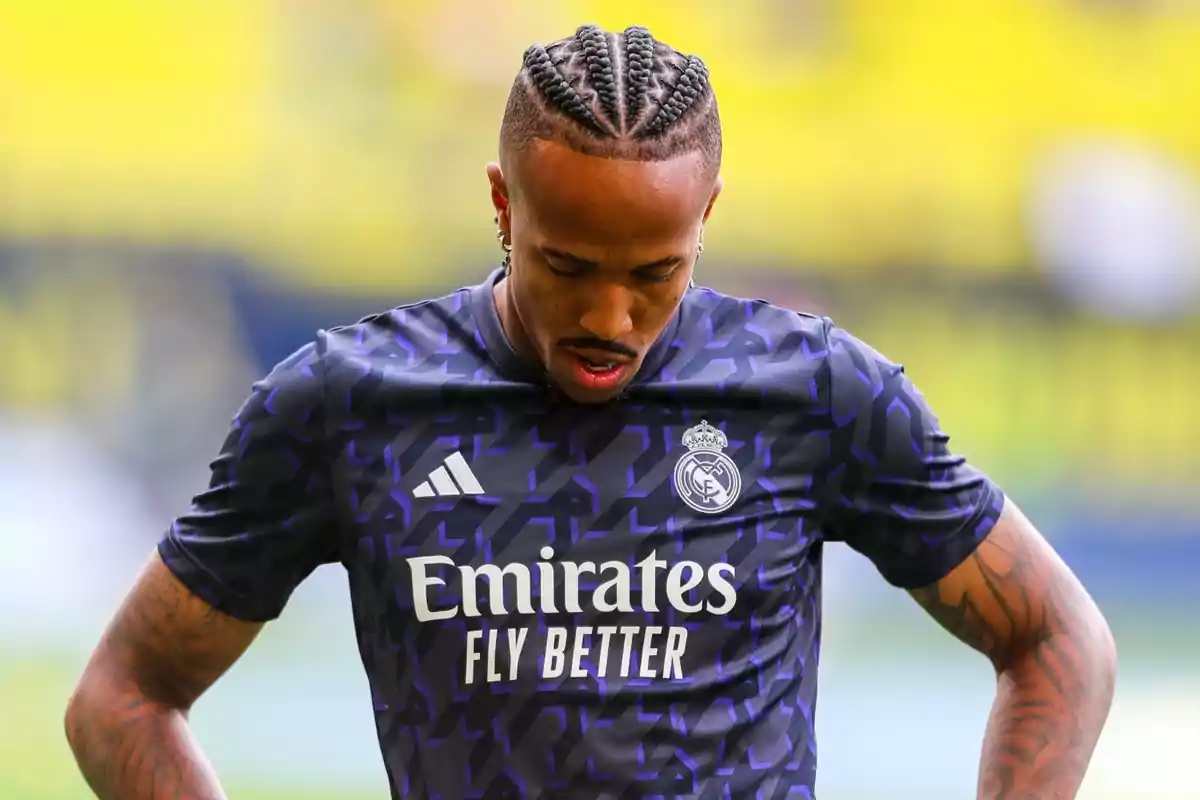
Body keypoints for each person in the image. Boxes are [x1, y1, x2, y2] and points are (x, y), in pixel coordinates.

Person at [64, 24, 1117, 799]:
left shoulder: (814, 391)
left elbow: (1057, 640)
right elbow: (122, 695)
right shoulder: (347, 404)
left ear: (707, 218)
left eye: (655, 271)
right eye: (566, 265)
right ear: (501, 205)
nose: (610, 315)